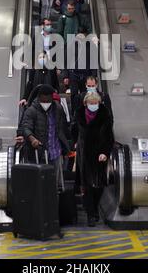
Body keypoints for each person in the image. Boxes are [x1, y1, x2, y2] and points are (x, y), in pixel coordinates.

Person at [74, 92, 114, 227]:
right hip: (84, 153)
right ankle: (90, 214)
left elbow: (109, 136)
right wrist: (75, 143)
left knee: (99, 185)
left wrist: (105, 152)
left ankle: (95, 208)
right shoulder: (79, 114)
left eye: (96, 102)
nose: (93, 105)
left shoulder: (105, 115)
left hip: (99, 154)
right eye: (91, 103)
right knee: (87, 185)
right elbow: (74, 130)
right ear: (85, 103)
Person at [21, 85, 70, 186]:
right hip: (39, 152)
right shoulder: (31, 110)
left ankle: (54, 198)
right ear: (39, 98)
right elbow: (25, 127)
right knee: (39, 183)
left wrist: (66, 143)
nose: (46, 103)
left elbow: (63, 127)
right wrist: (32, 139)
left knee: (54, 183)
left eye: (48, 101)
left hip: (55, 151)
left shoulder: (58, 109)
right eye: (43, 101)